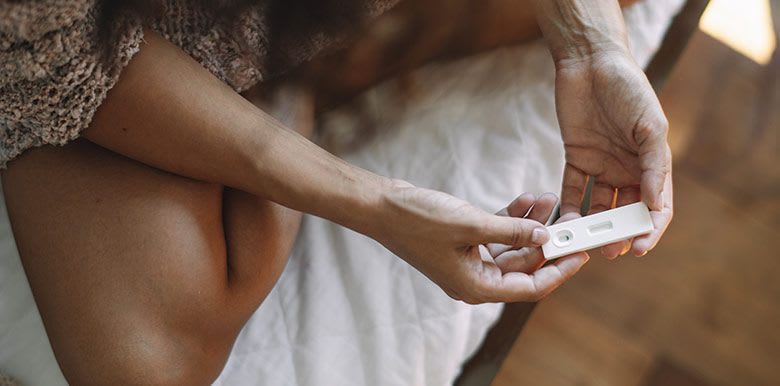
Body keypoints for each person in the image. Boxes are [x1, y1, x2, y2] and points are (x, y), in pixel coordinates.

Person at [0, 0, 673, 384]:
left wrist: (591, 47)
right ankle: (316, 71)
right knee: (147, 367)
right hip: (106, 35)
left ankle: (324, 57)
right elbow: (62, 61)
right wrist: (376, 204)